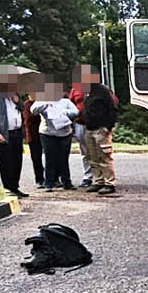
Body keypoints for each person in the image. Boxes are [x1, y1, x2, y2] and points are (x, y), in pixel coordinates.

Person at [0, 67, 29, 197]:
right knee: (7, 161)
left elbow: (22, 108)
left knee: (17, 160)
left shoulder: (14, 94)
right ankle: (8, 188)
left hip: (16, 132)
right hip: (3, 134)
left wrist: (18, 102)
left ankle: (15, 187)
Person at [73, 65, 119, 196]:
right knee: (92, 157)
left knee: (104, 156)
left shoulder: (103, 90)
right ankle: (98, 181)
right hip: (89, 128)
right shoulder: (87, 91)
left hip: (101, 128)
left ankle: (109, 183)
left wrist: (108, 127)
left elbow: (112, 109)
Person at [30, 82, 78, 190]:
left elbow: (76, 112)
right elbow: (33, 110)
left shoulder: (66, 102)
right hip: (47, 133)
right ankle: (49, 183)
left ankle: (67, 182)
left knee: (63, 158)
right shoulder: (43, 101)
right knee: (49, 158)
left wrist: (63, 112)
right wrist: (46, 103)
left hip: (65, 133)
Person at [67, 81, 94, 187]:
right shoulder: (75, 89)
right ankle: (88, 177)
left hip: (96, 124)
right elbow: (69, 105)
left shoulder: (97, 88)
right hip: (80, 123)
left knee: (98, 151)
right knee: (84, 152)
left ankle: (102, 177)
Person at [21, 91, 44, 187]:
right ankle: (39, 179)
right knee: (36, 157)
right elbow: (28, 118)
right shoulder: (26, 105)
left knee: (51, 156)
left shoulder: (43, 103)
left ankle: (53, 177)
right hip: (33, 134)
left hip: (45, 132)